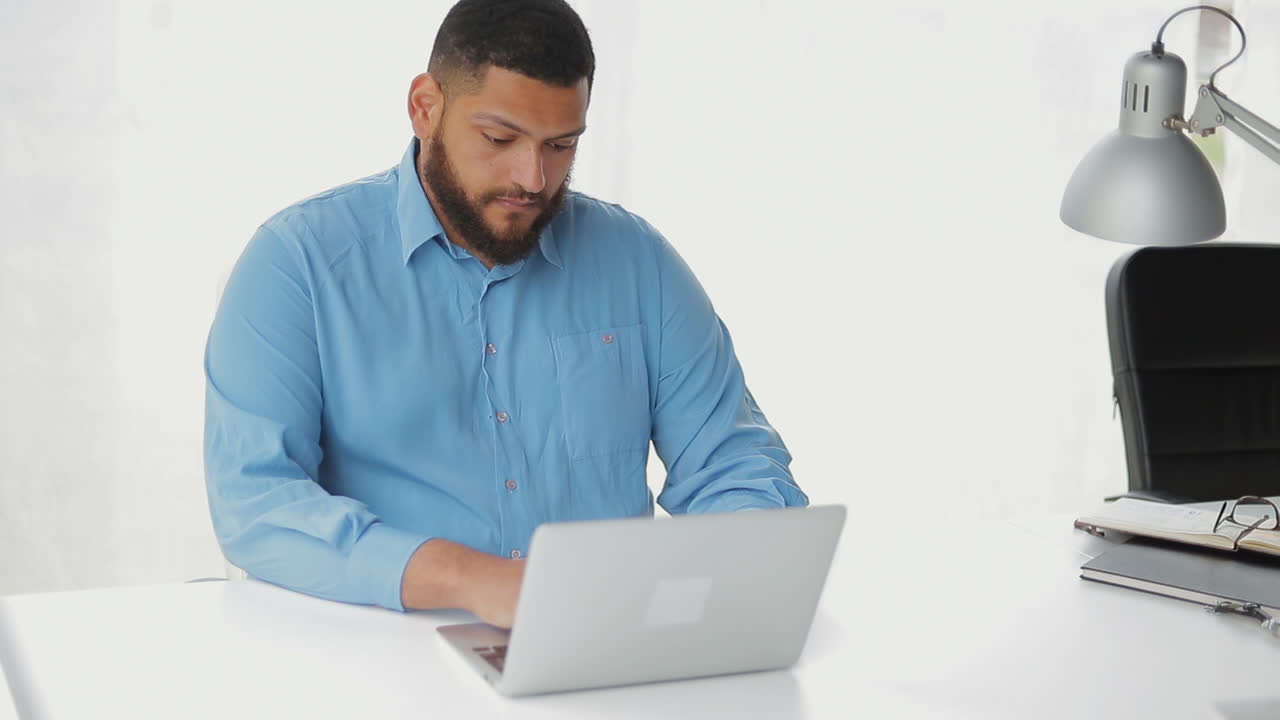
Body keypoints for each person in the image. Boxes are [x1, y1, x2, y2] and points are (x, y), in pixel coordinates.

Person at [203, 0, 806, 629]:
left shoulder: (639, 263)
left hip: (600, 649)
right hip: (379, 654)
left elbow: (733, 463)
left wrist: (738, 566)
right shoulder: (297, 263)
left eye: (561, 145)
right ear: (425, 107)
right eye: (499, 139)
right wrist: (468, 579)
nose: (533, 178)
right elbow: (257, 501)